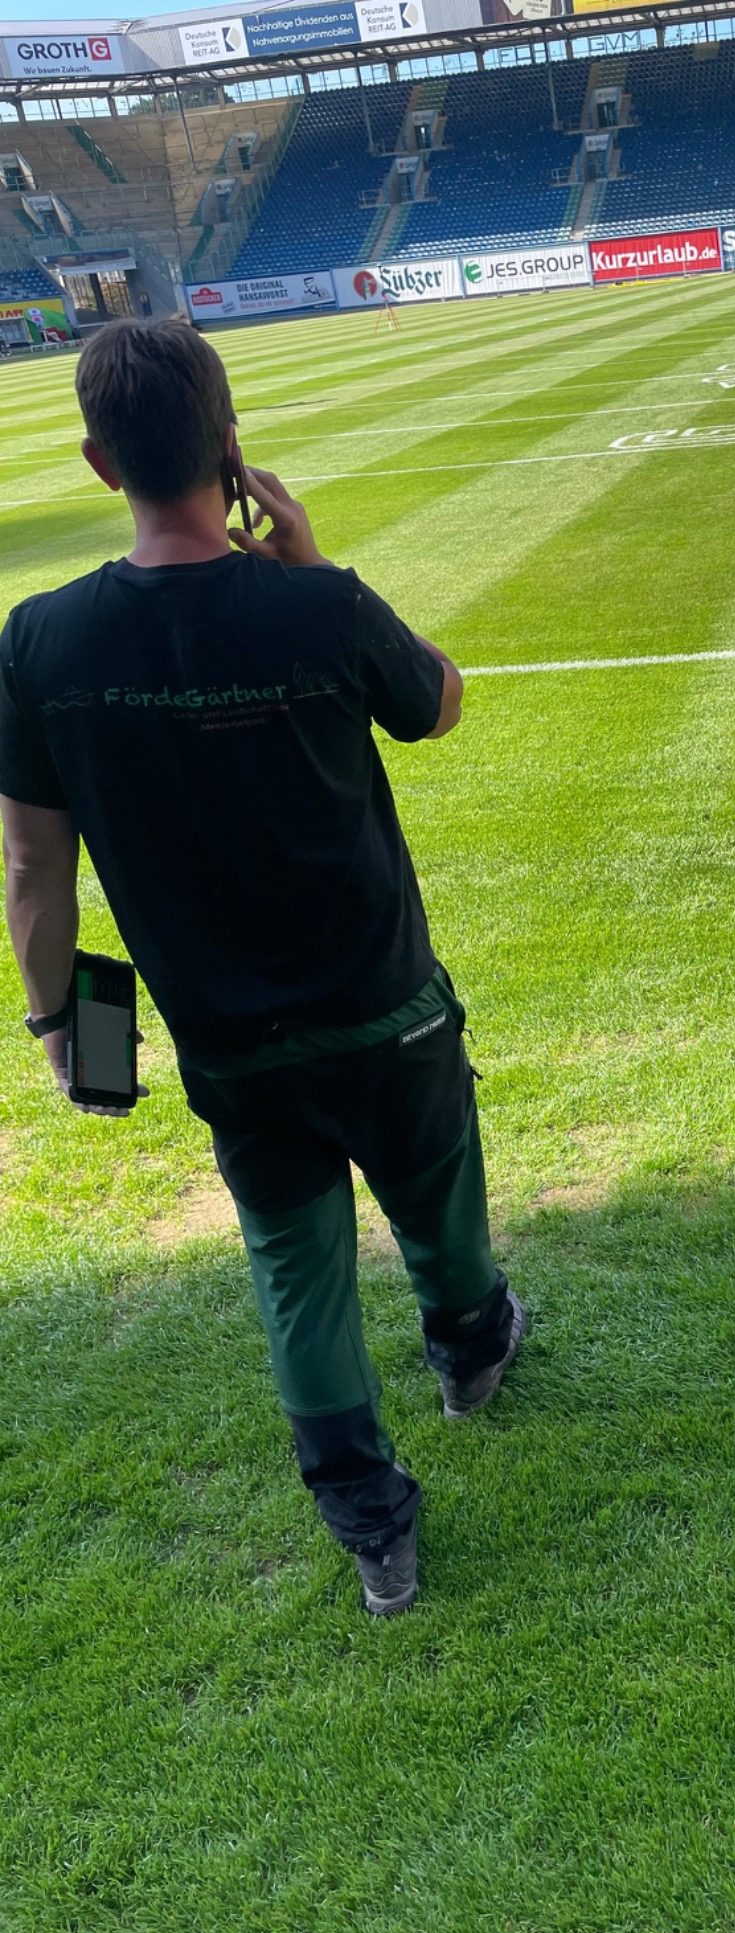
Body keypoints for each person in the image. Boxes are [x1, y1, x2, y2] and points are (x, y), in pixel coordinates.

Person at [0, 317, 525, 1617]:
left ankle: (369, 1525)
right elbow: (439, 700)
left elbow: (31, 871)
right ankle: (470, 1353)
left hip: (232, 1045)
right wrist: (310, 564)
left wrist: (62, 1025)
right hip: (387, 1007)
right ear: (230, 452)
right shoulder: (318, 603)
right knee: (434, 1182)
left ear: (96, 460)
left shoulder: (39, 644)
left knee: (296, 1267)